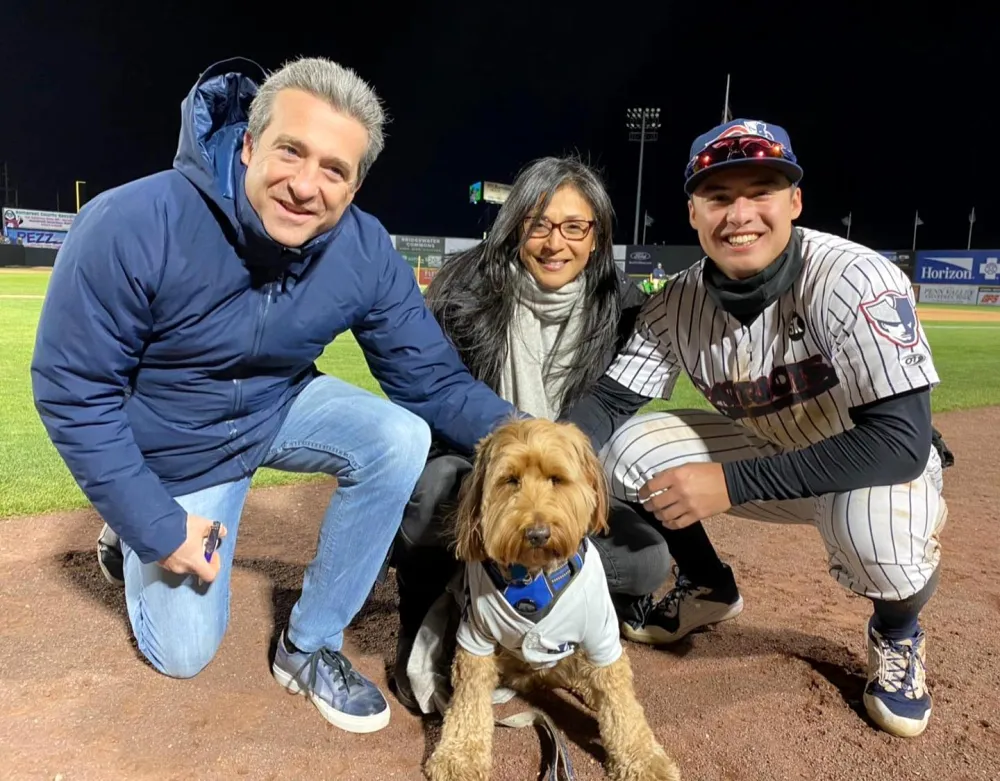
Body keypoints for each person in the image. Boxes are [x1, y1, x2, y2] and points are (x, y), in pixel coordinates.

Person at [30, 56, 524, 735]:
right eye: (292, 150)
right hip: (178, 443)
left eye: (334, 170)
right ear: (249, 143)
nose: (305, 184)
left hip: (274, 408)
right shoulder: (132, 220)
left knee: (398, 436)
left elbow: (429, 380)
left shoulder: (363, 249)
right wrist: (156, 524)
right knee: (183, 653)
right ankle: (130, 528)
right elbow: (75, 392)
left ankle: (309, 645)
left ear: (354, 187)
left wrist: (524, 433)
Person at [598, 118, 948, 739]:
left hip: (871, 465)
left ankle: (896, 632)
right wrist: (520, 451)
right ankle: (709, 587)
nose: (740, 214)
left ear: (795, 201)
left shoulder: (852, 277)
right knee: (624, 451)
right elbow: (608, 401)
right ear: (693, 212)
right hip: (771, 451)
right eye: (719, 197)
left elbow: (899, 441)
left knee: (874, 534)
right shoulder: (675, 303)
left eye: (760, 191)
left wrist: (731, 483)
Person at [388, 156, 671, 710]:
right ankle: (424, 614)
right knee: (433, 491)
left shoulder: (623, 310)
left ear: (597, 238)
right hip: (480, 474)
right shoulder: (465, 292)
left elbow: (632, 389)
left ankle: (549, 612)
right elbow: (433, 400)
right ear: (515, 227)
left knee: (648, 562)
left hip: (562, 490)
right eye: (537, 224)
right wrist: (510, 449)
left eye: (573, 226)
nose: (553, 242)